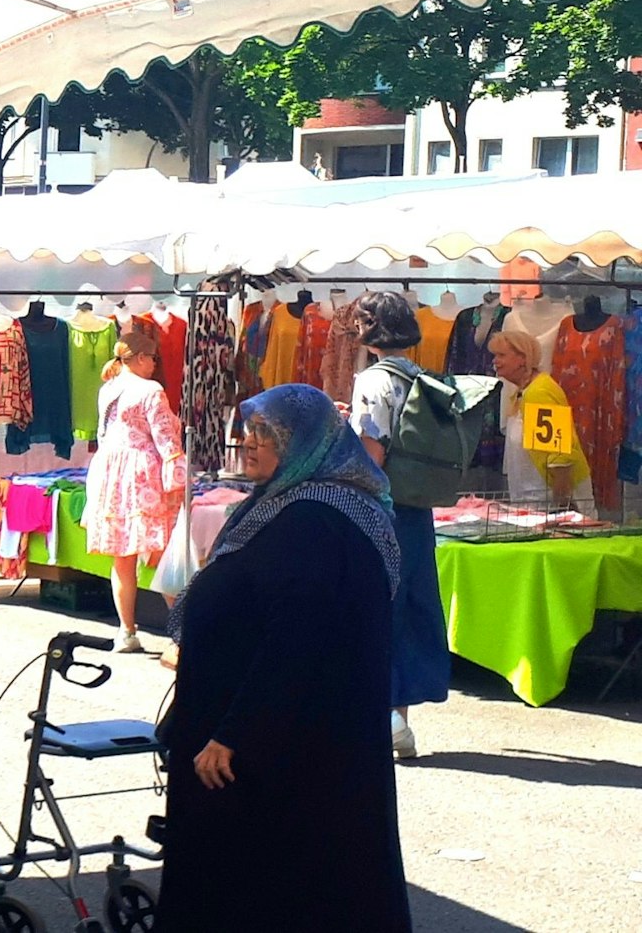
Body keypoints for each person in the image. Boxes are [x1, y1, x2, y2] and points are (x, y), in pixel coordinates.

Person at [155, 385, 411, 933]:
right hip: (266, 732)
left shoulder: (321, 520)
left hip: (284, 747)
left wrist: (236, 732)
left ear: (307, 444)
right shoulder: (286, 502)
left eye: (265, 435)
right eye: (249, 431)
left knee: (285, 883)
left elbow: (301, 639)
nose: (249, 444)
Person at [347, 291, 452, 759]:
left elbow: (372, 453)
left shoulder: (373, 380)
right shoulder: (423, 376)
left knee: (375, 607)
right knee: (409, 608)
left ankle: (382, 719)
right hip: (418, 505)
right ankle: (400, 721)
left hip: (380, 507)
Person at [84, 327, 185, 654]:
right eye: (153, 358)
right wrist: (180, 480)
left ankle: (127, 632)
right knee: (164, 554)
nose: (156, 364)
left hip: (111, 473)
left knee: (123, 558)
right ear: (140, 358)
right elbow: (165, 439)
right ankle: (184, 632)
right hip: (143, 473)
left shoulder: (108, 389)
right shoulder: (150, 390)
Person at [487, 329, 594, 515]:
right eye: (495, 355)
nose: (495, 361)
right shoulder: (522, 392)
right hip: (532, 503)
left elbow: (560, 455)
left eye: (501, 355)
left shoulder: (540, 392)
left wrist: (563, 505)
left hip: (554, 505)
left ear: (523, 358)